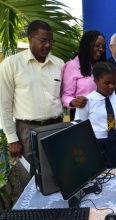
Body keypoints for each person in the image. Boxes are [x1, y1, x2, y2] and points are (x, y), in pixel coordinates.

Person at [0, 20, 64, 188]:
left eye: (51, 41)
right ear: (30, 38)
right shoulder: (11, 64)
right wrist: (12, 138)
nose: (48, 45)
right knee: (30, 180)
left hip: (56, 126)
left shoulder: (59, 64)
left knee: (58, 176)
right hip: (28, 130)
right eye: (43, 41)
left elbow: (64, 97)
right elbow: (4, 103)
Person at [75, 62, 116, 168]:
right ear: (96, 81)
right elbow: (80, 131)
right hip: (95, 145)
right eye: (107, 83)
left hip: (114, 144)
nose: (111, 86)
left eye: (114, 82)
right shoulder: (87, 101)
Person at [61, 30, 107, 121]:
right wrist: (73, 102)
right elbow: (66, 96)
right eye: (97, 45)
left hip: (102, 115)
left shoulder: (103, 66)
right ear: (87, 45)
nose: (101, 49)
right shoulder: (72, 65)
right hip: (82, 116)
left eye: (103, 47)